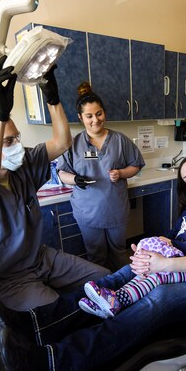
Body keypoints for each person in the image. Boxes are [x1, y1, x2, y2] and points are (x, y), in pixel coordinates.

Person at [0, 153, 186, 371]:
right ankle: (35, 323)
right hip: (182, 267)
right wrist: (149, 254)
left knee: (159, 297)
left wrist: (164, 264)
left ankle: (54, 365)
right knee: (110, 281)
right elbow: (173, 240)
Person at [0, 57, 109, 319]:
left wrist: (52, 99)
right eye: (8, 140)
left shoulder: (21, 167)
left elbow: (62, 142)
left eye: (16, 137)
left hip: (42, 260)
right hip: (5, 278)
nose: (18, 145)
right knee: (60, 314)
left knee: (107, 281)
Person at [79, 168, 186, 318]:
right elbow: (171, 235)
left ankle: (119, 300)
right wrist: (152, 250)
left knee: (158, 276)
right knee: (143, 272)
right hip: (173, 258)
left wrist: (171, 245)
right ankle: (112, 300)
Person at [57, 82, 145, 270]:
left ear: (104, 112)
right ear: (81, 117)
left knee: (119, 251)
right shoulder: (73, 143)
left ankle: (123, 287)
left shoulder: (120, 140)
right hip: (87, 211)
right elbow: (61, 172)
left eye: (99, 114)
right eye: (89, 116)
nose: (95, 120)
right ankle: (101, 290)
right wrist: (74, 179)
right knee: (95, 255)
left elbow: (136, 164)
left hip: (115, 208)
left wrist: (122, 173)